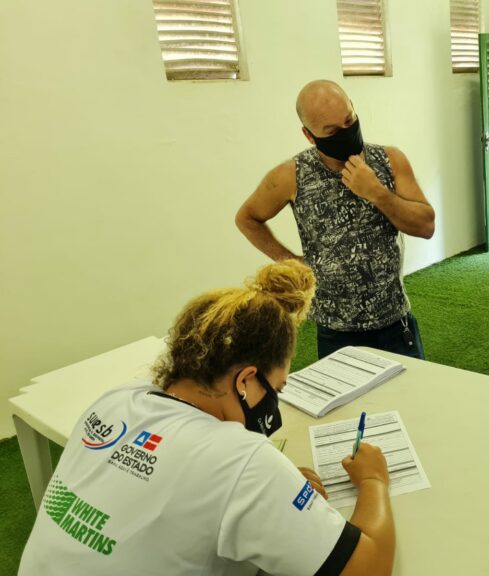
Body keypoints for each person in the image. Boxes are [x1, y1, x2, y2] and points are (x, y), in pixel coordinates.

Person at [19, 260, 395, 576]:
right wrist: (374, 479)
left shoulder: (119, 399)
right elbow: (369, 566)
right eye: (276, 389)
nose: (274, 404)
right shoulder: (240, 460)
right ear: (246, 381)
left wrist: (273, 488)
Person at [236, 79, 435, 360]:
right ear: (309, 135)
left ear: (353, 109)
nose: (345, 133)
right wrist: (289, 260)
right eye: (331, 131)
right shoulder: (291, 175)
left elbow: (426, 225)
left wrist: (377, 193)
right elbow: (247, 218)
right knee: (349, 406)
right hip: (336, 330)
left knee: (413, 401)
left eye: (349, 121)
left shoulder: (390, 160)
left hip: (394, 321)